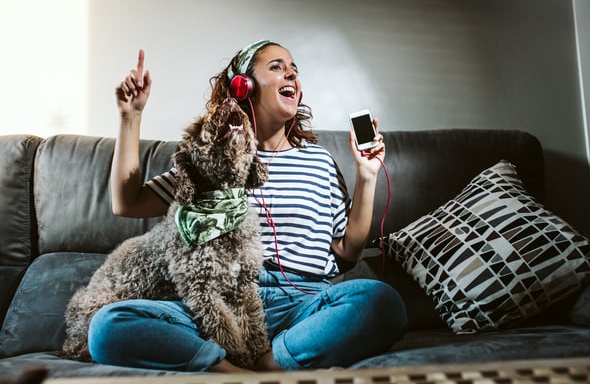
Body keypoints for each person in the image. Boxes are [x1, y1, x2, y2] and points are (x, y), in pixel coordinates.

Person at [88, 40, 408, 373]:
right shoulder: (211, 158)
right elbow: (127, 202)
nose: (291, 76)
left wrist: (367, 176)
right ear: (244, 86)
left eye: (294, 70)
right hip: (223, 304)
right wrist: (131, 117)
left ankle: (271, 364)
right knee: (108, 325)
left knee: (381, 301)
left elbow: (347, 252)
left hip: (304, 304)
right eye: (277, 67)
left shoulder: (319, 161)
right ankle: (233, 372)